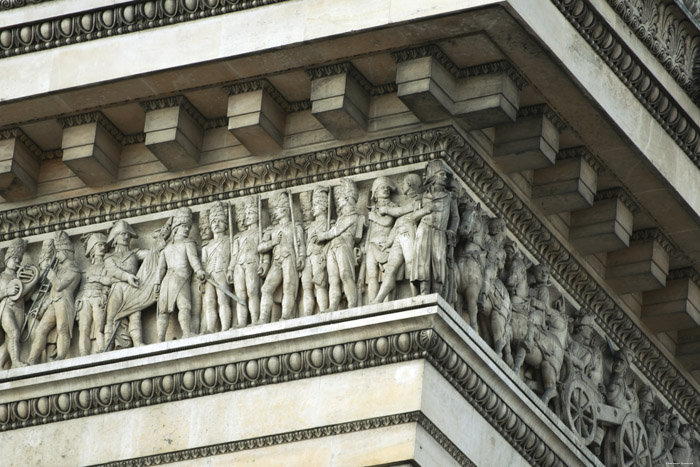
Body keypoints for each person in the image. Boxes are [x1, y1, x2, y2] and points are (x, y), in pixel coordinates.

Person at [371, 174, 430, 304]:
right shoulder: (406, 201)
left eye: (403, 184)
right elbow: (397, 223)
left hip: (408, 234)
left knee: (411, 264)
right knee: (391, 268)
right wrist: (388, 242)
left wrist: (386, 209)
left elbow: (400, 212)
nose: (401, 186)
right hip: (399, 235)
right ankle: (379, 299)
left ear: (409, 185)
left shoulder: (418, 200)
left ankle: (417, 295)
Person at [27, 231, 81, 363]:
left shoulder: (73, 269)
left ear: (66, 251)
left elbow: (59, 286)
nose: (57, 255)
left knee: (62, 328)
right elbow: (50, 288)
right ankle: (32, 359)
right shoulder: (60, 269)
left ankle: (61, 356)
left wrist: (51, 274)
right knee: (41, 329)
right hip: (53, 302)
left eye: (59, 252)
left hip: (64, 301)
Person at [155, 207, 206, 341]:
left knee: (163, 311)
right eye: (184, 226)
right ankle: (186, 332)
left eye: (188, 227)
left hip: (166, 281)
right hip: (180, 279)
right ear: (176, 228)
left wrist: (157, 283)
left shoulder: (166, 249)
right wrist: (199, 270)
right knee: (185, 306)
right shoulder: (188, 243)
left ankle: (160, 338)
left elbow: (160, 269)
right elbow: (193, 259)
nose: (187, 229)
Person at [411, 161, 459, 296]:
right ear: (433, 176)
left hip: (440, 232)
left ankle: (437, 293)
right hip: (424, 230)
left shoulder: (450, 197)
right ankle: (424, 292)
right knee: (422, 261)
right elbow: (413, 217)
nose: (445, 178)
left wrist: (452, 230)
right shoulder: (421, 197)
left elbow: (455, 217)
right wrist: (425, 211)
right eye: (442, 174)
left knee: (438, 260)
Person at [258, 192, 305, 323]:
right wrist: (272, 243)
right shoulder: (272, 230)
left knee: (288, 286)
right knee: (266, 288)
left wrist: (301, 257)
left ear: (285, 210)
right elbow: (260, 247)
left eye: (276, 210)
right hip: (277, 261)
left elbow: (300, 245)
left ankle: (285, 315)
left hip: (290, 258)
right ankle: (263, 318)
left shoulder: (295, 227)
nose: (274, 213)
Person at [317, 179, 362, 311]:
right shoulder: (341, 218)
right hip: (333, 248)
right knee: (333, 278)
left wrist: (323, 235)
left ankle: (352, 305)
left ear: (347, 198)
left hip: (344, 246)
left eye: (340, 198)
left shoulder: (353, 216)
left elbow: (336, 231)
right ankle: (333, 306)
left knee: (345, 275)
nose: (337, 201)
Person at [228, 198, 266, 326]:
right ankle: (242, 322)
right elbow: (234, 256)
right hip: (239, 265)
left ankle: (255, 319)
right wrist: (230, 270)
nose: (248, 217)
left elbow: (264, 251)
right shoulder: (238, 237)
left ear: (257, 215)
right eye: (247, 214)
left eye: (251, 214)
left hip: (252, 263)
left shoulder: (260, 233)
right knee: (240, 295)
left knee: (252, 291)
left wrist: (264, 263)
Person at [0, 239, 35, 368]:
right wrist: (6, 291)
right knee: (13, 333)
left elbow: (25, 297)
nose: (17, 262)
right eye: (14, 259)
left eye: (19, 260)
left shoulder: (20, 276)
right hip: (6, 307)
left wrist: (31, 281)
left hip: (20, 308)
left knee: (12, 338)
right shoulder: (1, 277)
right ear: (7, 259)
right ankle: (16, 362)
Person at [76, 233, 112, 355]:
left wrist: (97, 278)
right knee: (84, 328)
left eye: (104, 245)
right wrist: (78, 300)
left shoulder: (109, 264)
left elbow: (110, 280)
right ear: (92, 249)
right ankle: (83, 354)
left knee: (99, 327)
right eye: (99, 245)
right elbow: (82, 288)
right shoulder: (86, 269)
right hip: (85, 298)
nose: (102, 248)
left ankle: (102, 350)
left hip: (99, 297)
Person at [201, 202, 233, 332]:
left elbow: (234, 256)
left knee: (223, 300)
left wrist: (231, 269)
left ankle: (225, 327)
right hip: (210, 277)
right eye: (213, 221)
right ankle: (210, 328)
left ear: (226, 224)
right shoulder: (207, 246)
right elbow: (203, 263)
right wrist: (202, 274)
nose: (216, 224)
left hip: (222, 273)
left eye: (219, 221)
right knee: (209, 303)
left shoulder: (230, 240)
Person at [300, 187, 330, 315]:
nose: (314, 208)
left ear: (324, 206)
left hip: (319, 256)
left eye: (317, 204)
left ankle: (323, 309)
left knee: (319, 285)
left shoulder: (329, 223)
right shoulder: (309, 226)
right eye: (314, 205)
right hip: (308, 257)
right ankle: (307, 314)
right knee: (306, 287)